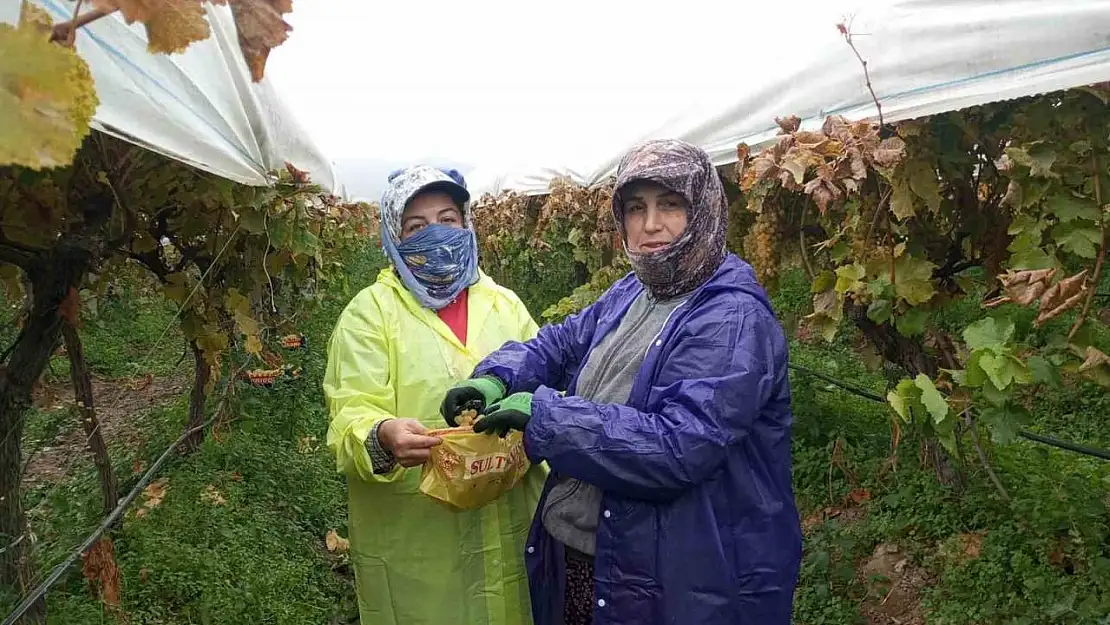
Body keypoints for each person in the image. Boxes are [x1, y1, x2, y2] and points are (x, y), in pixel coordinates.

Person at [440, 140, 802, 625]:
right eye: (636, 208)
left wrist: (545, 414)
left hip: (677, 577)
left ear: (706, 210)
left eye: (670, 205)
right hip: (599, 557)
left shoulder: (730, 318)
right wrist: (497, 378)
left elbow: (676, 447)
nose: (650, 224)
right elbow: (562, 343)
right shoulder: (637, 289)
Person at [323, 165, 547, 625]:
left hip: (509, 516)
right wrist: (382, 436)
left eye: (448, 219)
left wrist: (538, 410)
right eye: (416, 227)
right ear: (393, 237)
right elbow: (351, 411)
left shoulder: (505, 305)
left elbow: (546, 380)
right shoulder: (370, 315)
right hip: (419, 540)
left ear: (467, 224)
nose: (436, 236)